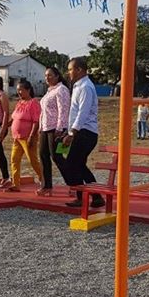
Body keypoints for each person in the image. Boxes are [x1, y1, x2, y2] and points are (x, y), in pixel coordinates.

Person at [61, 57, 104, 208]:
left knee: (73, 163)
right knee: (78, 164)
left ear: (79, 70)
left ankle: (86, 196)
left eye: (70, 69)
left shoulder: (85, 87)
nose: (68, 73)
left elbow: (82, 113)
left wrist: (72, 133)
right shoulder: (78, 86)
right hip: (80, 131)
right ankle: (94, 196)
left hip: (85, 132)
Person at [4, 79, 43, 193]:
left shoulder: (33, 103)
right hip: (17, 137)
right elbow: (14, 118)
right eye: (18, 90)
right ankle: (15, 184)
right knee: (14, 160)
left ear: (28, 90)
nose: (19, 92)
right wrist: (4, 125)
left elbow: (36, 121)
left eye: (21, 90)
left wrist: (31, 136)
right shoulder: (20, 103)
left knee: (32, 160)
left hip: (27, 137)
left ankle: (44, 179)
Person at [37, 66, 70, 197]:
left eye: (50, 75)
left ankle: (73, 184)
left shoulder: (61, 89)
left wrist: (60, 128)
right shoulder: (49, 91)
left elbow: (63, 110)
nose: (47, 78)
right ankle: (46, 186)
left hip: (56, 128)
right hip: (45, 128)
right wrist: (40, 127)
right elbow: (43, 112)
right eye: (46, 76)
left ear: (57, 76)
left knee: (57, 157)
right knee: (43, 155)